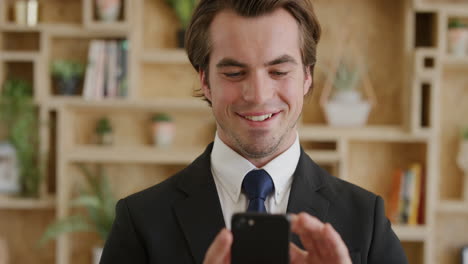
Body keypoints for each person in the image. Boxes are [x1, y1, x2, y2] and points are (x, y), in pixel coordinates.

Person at [100, 0, 408, 263]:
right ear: (205, 80)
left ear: (307, 77)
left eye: (279, 71)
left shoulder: (367, 221)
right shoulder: (140, 221)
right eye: (234, 73)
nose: (258, 95)